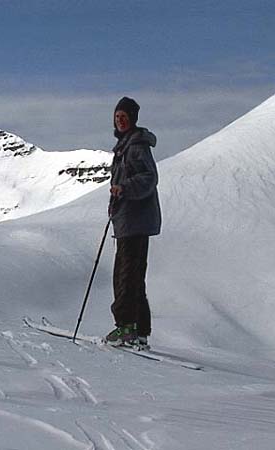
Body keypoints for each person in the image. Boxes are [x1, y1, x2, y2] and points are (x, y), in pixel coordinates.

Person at [105, 97, 161, 348]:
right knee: (134, 276)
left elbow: (149, 178)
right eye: (117, 116)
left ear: (133, 118)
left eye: (124, 116)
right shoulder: (125, 145)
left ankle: (126, 327)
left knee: (125, 276)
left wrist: (123, 189)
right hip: (130, 220)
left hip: (135, 220)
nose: (120, 120)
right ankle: (140, 329)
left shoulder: (136, 146)